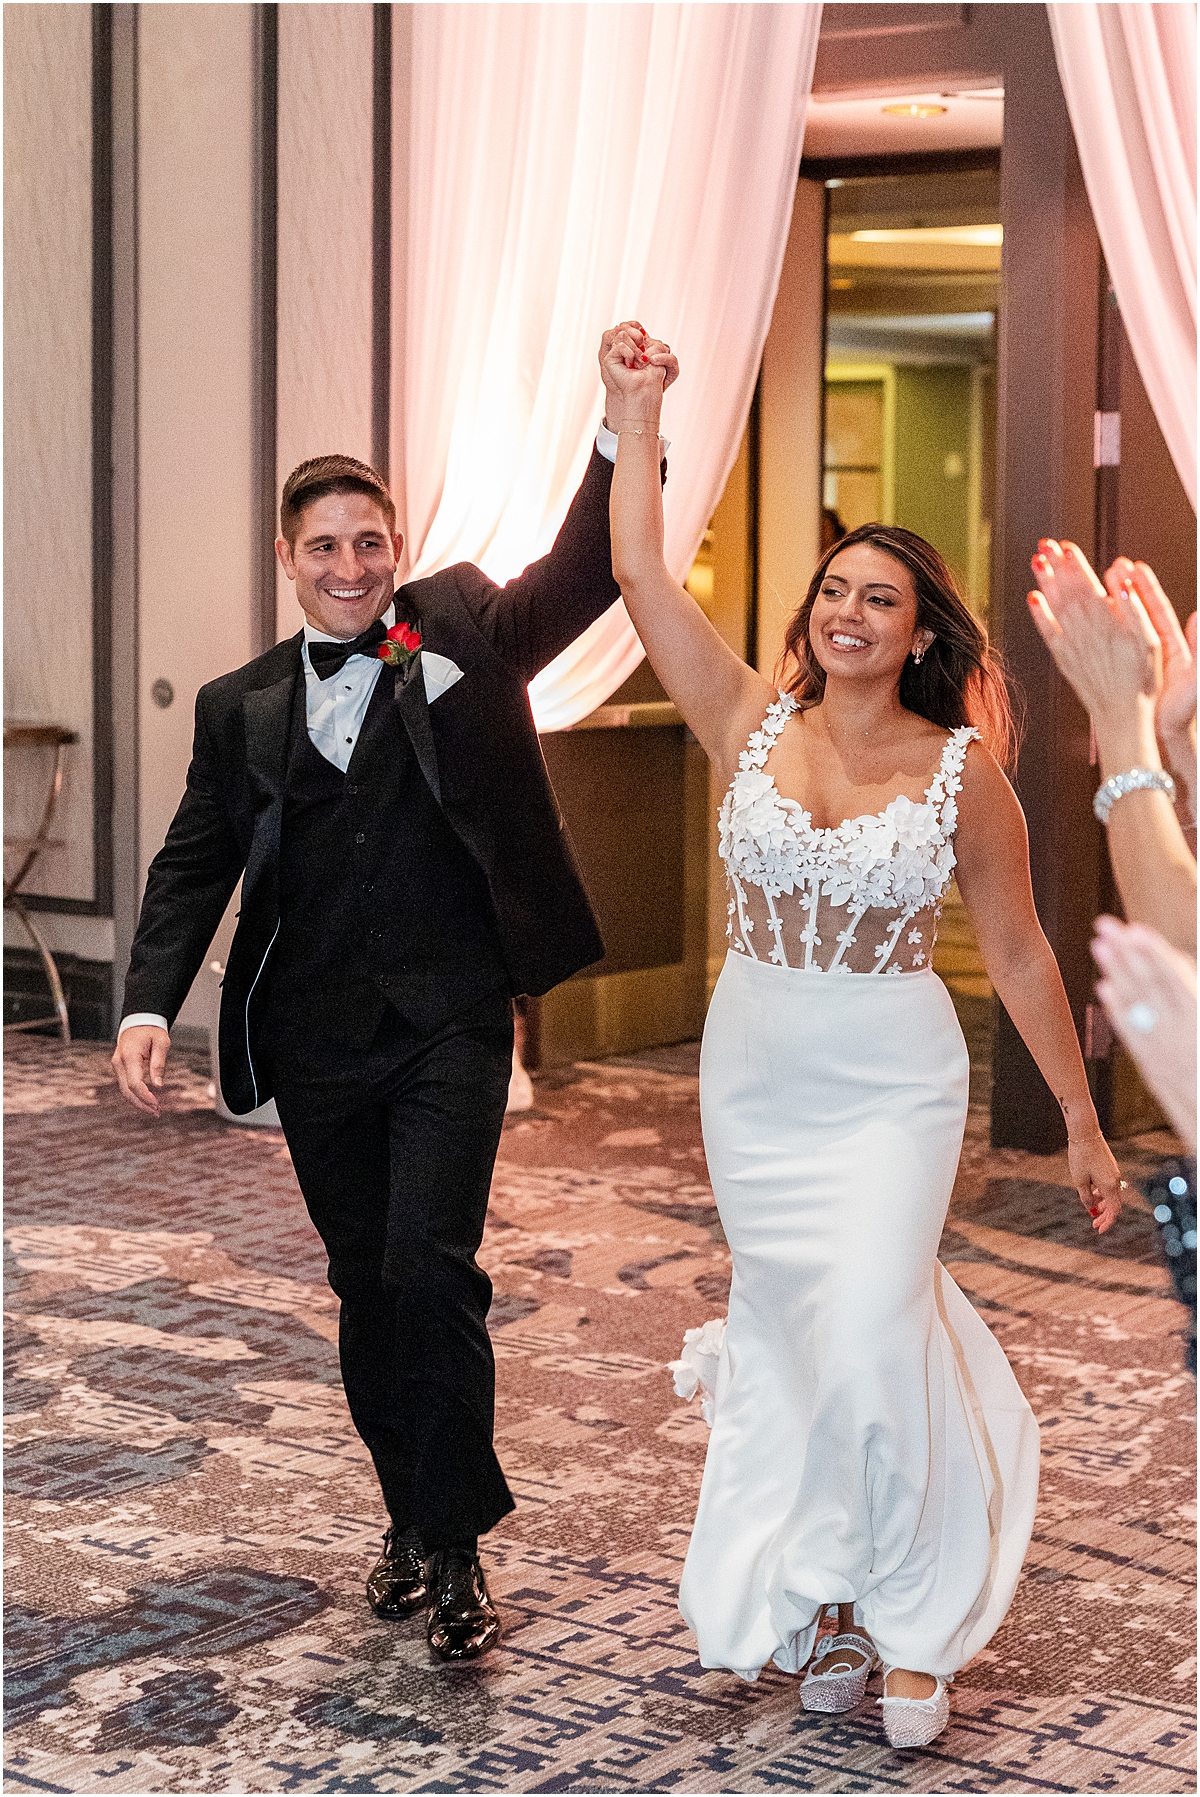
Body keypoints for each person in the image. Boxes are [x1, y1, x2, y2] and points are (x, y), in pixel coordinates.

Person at [111, 321, 677, 1665]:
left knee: (431, 1269)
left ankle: (460, 1538)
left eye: (371, 542)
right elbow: (194, 861)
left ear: (397, 540)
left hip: (451, 1022)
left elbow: (586, 571)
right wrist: (146, 1000)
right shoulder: (239, 705)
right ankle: (410, 1517)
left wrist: (619, 420)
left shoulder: (464, 623)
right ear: (288, 560)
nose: (353, 567)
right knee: (367, 1286)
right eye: (326, 547)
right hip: (312, 1039)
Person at [604, 328, 1123, 1748]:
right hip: (759, 1071)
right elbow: (643, 573)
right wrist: (635, 412)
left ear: (919, 633)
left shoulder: (967, 776)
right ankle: (824, 1599)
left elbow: (1017, 953)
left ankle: (906, 1618)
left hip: (892, 1077)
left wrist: (1080, 1116)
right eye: (834, 588)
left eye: (877, 597)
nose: (848, 611)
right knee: (799, 1334)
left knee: (879, 1323)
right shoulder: (746, 720)